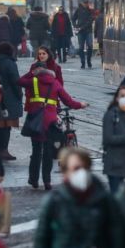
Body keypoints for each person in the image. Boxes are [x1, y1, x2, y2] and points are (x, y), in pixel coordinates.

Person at [34, 148, 122, 248]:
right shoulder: (54, 202)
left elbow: (117, 237)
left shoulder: (104, 199)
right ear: (65, 173)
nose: (80, 173)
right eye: (75, 169)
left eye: (84, 168)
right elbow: (41, 241)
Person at [19, 62, 87, 190]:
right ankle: (47, 181)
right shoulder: (55, 82)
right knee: (48, 152)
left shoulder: (33, 81)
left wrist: (31, 72)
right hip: (50, 121)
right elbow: (68, 101)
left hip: (36, 120)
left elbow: (19, 81)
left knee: (36, 151)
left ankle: (33, 179)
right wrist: (81, 105)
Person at [0, 42, 22, 161]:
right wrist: (19, 94)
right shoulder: (9, 63)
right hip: (8, 99)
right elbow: (15, 81)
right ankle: (3, 150)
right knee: (6, 126)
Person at [73, 0, 95, 69]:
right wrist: (75, 26)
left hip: (88, 30)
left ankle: (88, 61)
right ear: (82, 3)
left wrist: (80, 27)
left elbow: (91, 20)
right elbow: (73, 18)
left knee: (90, 45)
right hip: (80, 31)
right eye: (85, 3)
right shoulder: (78, 10)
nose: (86, 4)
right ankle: (83, 62)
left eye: (87, 3)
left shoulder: (90, 10)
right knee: (81, 47)